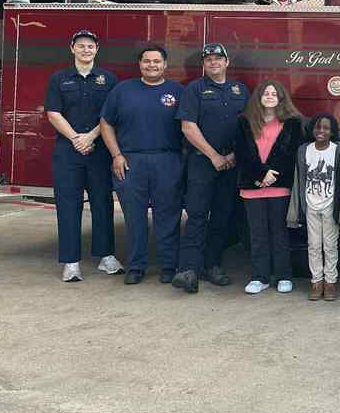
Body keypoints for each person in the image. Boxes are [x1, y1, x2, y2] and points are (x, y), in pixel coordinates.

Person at [99, 44, 185, 285]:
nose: (152, 65)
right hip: (130, 161)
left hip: (168, 160)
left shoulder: (178, 91)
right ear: (140, 64)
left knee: (168, 216)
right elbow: (106, 123)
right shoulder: (123, 90)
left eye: (157, 61)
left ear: (165, 65)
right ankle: (136, 266)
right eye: (147, 61)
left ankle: (169, 265)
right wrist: (116, 154)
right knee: (134, 217)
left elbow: (189, 126)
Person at [44, 29, 123, 282]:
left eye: (90, 46)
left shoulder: (109, 79)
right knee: (68, 206)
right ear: (72, 48)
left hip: (99, 150)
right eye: (81, 46)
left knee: (103, 203)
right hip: (68, 152)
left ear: (96, 49)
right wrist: (76, 139)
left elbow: (111, 114)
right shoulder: (59, 79)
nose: (86, 50)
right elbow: (53, 113)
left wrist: (90, 137)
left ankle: (106, 257)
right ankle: (71, 262)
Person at [171, 43, 249, 294]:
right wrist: (214, 156)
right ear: (203, 65)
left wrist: (236, 154)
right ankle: (188, 270)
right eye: (209, 59)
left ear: (227, 62)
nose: (213, 62)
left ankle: (212, 265)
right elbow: (188, 127)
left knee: (222, 216)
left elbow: (250, 126)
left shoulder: (240, 90)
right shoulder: (194, 89)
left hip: (231, 163)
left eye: (218, 58)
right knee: (196, 215)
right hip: (201, 162)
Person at [235, 80, 304, 295]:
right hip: (251, 186)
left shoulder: (292, 122)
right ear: (259, 97)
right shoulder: (244, 121)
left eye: (275, 93)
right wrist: (259, 175)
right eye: (266, 93)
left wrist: (272, 174)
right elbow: (242, 152)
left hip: (279, 186)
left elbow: (292, 153)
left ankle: (283, 276)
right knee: (257, 235)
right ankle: (260, 277)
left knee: (279, 233)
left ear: (281, 97)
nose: (270, 96)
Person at [286, 114, 340, 302]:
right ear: (312, 130)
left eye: (326, 128)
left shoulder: (339, 152)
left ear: (332, 132)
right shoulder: (303, 151)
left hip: (331, 207)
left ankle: (330, 282)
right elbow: (298, 181)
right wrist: (296, 209)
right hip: (311, 206)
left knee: (330, 246)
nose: (321, 131)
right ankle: (316, 282)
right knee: (313, 246)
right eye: (317, 127)